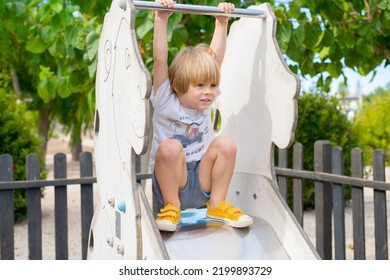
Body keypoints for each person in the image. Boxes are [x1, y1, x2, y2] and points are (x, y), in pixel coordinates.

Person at [151, 0, 253, 232]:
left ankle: (217, 205)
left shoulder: (204, 104)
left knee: (226, 144)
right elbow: (160, 60)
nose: (208, 92)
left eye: (212, 85)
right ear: (178, 85)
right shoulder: (165, 97)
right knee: (170, 148)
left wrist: (221, 23)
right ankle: (172, 208)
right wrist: (161, 19)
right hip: (173, 183)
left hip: (201, 181)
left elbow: (214, 60)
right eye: (199, 86)